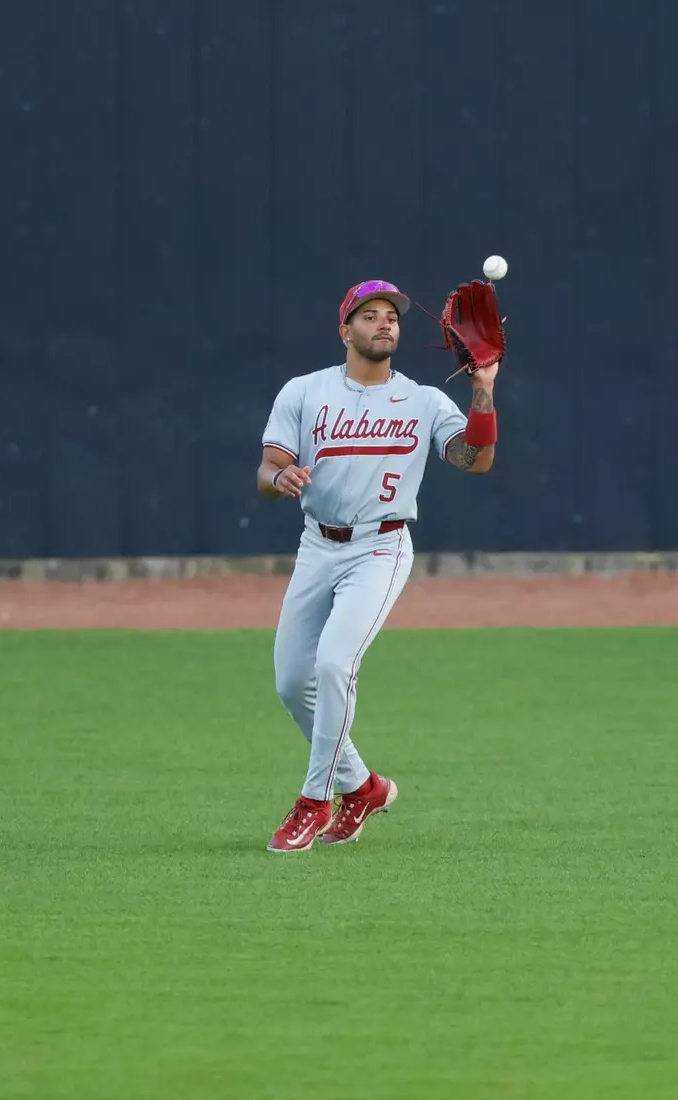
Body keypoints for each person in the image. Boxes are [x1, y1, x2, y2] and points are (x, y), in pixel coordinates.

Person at [256, 279, 499, 852]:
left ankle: (314, 801)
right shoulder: (304, 392)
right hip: (317, 546)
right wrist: (279, 478)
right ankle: (361, 787)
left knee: (336, 665)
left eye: (392, 315)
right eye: (369, 315)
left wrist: (483, 391)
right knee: (293, 683)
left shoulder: (423, 400)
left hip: (380, 548)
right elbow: (268, 470)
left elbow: (475, 459)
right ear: (346, 330)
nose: (384, 322)